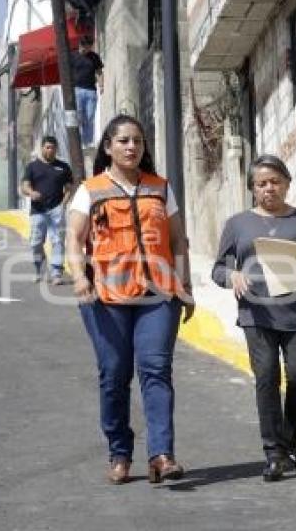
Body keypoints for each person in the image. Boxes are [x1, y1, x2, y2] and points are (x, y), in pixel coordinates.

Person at [66, 114, 194, 485]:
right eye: (123, 141)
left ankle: (162, 455)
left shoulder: (160, 188)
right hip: (106, 299)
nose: (131, 147)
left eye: (137, 141)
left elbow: (177, 240)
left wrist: (185, 285)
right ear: (108, 147)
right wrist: (79, 278)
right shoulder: (90, 190)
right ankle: (120, 452)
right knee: (114, 375)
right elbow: (74, 238)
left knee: (156, 369)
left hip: (158, 294)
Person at [211, 155, 296, 482]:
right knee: (266, 378)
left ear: (287, 184)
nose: (269, 188)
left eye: (275, 182)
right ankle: (274, 453)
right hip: (256, 314)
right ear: (253, 188)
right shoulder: (238, 224)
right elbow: (218, 269)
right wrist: (232, 276)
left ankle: (290, 440)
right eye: (262, 183)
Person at [21, 136, 73, 285]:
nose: (50, 150)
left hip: (56, 209)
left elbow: (69, 188)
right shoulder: (32, 166)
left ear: (56, 149)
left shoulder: (63, 167)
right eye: (48, 147)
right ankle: (40, 269)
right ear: (42, 148)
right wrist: (31, 193)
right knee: (35, 243)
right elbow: (25, 186)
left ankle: (56, 273)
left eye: (53, 148)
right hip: (38, 211)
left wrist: (63, 204)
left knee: (57, 241)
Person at [71, 34, 104, 147]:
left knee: (89, 117)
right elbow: (67, 73)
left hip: (91, 91)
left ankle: (87, 142)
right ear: (80, 45)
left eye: (90, 47)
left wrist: (101, 85)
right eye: (86, 47)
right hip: (77, 90)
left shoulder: (94, 57)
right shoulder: (73, 56)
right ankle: (78, 142)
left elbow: (99, 72)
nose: (87, 49)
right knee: (78, 116)